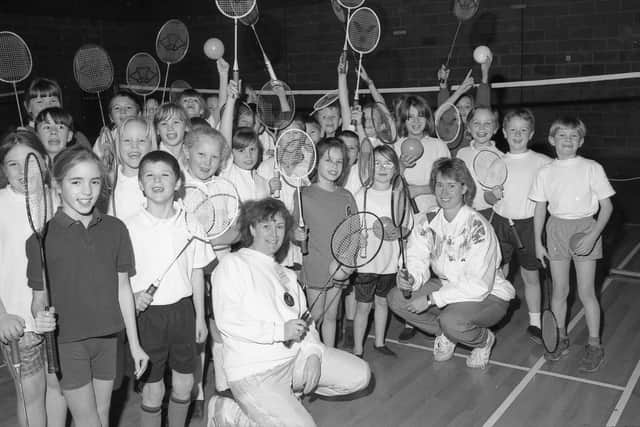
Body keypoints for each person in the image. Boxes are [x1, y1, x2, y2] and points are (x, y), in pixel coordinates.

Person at [209, 198, 371, 427]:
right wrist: (280, 331)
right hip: (254, 372)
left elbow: (306, 322)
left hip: (295, 360)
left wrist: (314, 352)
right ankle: (231, 413)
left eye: (280, 226)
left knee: (360, 375)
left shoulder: (287, 275)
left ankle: (284, 403)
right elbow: (228, 322)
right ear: (252, 228)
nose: (274, 234)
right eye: (266, 226)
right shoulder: (232, 265)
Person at [26, 146, 148, 426]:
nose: (87, 191)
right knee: (88, 420)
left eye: (94, 182)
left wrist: (136, 345)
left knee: (102, 416)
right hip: (68, 343)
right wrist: (40, 314)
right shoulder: (40, 240)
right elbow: (38, 297)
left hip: (108, 338)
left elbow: (123, 289)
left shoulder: (115, 229)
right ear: (57, 186)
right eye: (76, 182)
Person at [388, 157, 515, 369]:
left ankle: (483, 340)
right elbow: (416, 258)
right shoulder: (427, 221)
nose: (444, 192)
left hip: (489, 294)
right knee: (397, 298)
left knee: (452, 320)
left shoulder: (478, 227)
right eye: (439, 185)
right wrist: (411, 277)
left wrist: (430, 299)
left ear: (464, 188)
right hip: (449, 285)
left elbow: (479, 285)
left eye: (451, 186)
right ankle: (447, 334)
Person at [126, 151, 213, 426]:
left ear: (177, 183)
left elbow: (197, 272)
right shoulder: (127, 228)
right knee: (153, 390)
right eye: (149, 175)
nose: (157, 181)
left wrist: (200, 316)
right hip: (147, 317)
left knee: (185, 385)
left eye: (165, 175)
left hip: (183, 313)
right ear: (140, 183)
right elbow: (119, 280)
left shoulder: (191, 223)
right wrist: (133, 297)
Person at [530, 117, 614, 372]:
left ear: (581, 141)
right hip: (556, 230)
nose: (568, 140)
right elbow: (540, 209)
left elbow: (607, 206)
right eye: (562, 136)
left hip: (586, 228)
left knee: (587, 292)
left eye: (573, 136)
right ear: (552, 140)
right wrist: (537, 242)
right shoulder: (545, 172)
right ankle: (559, 337)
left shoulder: (592, 167)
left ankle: (594, 344)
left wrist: (593, 234)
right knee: (559, 291)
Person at [0, 130, 66, 427]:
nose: (22, 171)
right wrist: (1, 316)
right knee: (30, 394)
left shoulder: (60, 200)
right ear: (3, 169)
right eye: (12, 164)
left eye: (29, 161)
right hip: (17, 321)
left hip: (59, 318)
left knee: (59, 388)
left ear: (45, 161)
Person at [488, 109, 551, 343]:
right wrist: (491, 196)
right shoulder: (497, 162)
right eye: (512, 130)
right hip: (501, 224)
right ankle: (491, 318)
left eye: (523, 130)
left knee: (530, 275)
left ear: (531, 134)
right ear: (504, 132)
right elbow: (488, 196)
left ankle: (535, 322)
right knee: (496, 273)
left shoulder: (543, 162)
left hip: (528, 225)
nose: (517, 134)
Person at [297, 137, 357, 348]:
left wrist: (347, 264)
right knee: (317, 316)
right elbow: (293, 230)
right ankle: (311, 355)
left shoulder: (346, 196)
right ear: (316, 162)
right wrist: (295, 236)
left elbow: (353, 232)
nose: (334, 166)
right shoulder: (304, 195)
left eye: (339, 162)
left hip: (338, 266)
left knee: (332, 315)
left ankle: (330, 356)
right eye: (328, 160)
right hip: (315, 265)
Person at [352, 145, 402, 357]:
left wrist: (397, 232)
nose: (382, 168)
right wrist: (358, 237)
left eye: (388, 163)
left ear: (396, 168)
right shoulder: (361, 194)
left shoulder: (398, 195)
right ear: (370, 167)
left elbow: (405, 227)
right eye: (377, 163)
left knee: (382, 302)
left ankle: (380, 342)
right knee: (363, 306)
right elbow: (352, 226)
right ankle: (357, 348)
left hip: (389, 261)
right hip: (366, 262)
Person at [394, 95, 451, 213]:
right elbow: (389, 184)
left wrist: (418, 190)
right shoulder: (396, 147)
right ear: (404, 120)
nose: (416, 121)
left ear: (427, 119)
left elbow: (449, 182)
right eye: (410, 117)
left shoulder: (438, 145)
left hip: (435, 212)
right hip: (404, 214)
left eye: (420, 116)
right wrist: (401, 166)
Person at [455, 106, 503, 218]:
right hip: (462, 211)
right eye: (476, 123)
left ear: (495, 128)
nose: (482, 128)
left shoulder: (501, 158)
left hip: (490, 213)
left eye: (488, 123)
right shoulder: (461, 153)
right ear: (468, 127)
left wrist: (495, 196)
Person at [109, 117, 154, 219]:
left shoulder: (157, 179)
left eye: (141, 141)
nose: (134, 146)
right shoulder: (109, 181)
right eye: (127, 140)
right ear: (118, 144)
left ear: (151, 145)